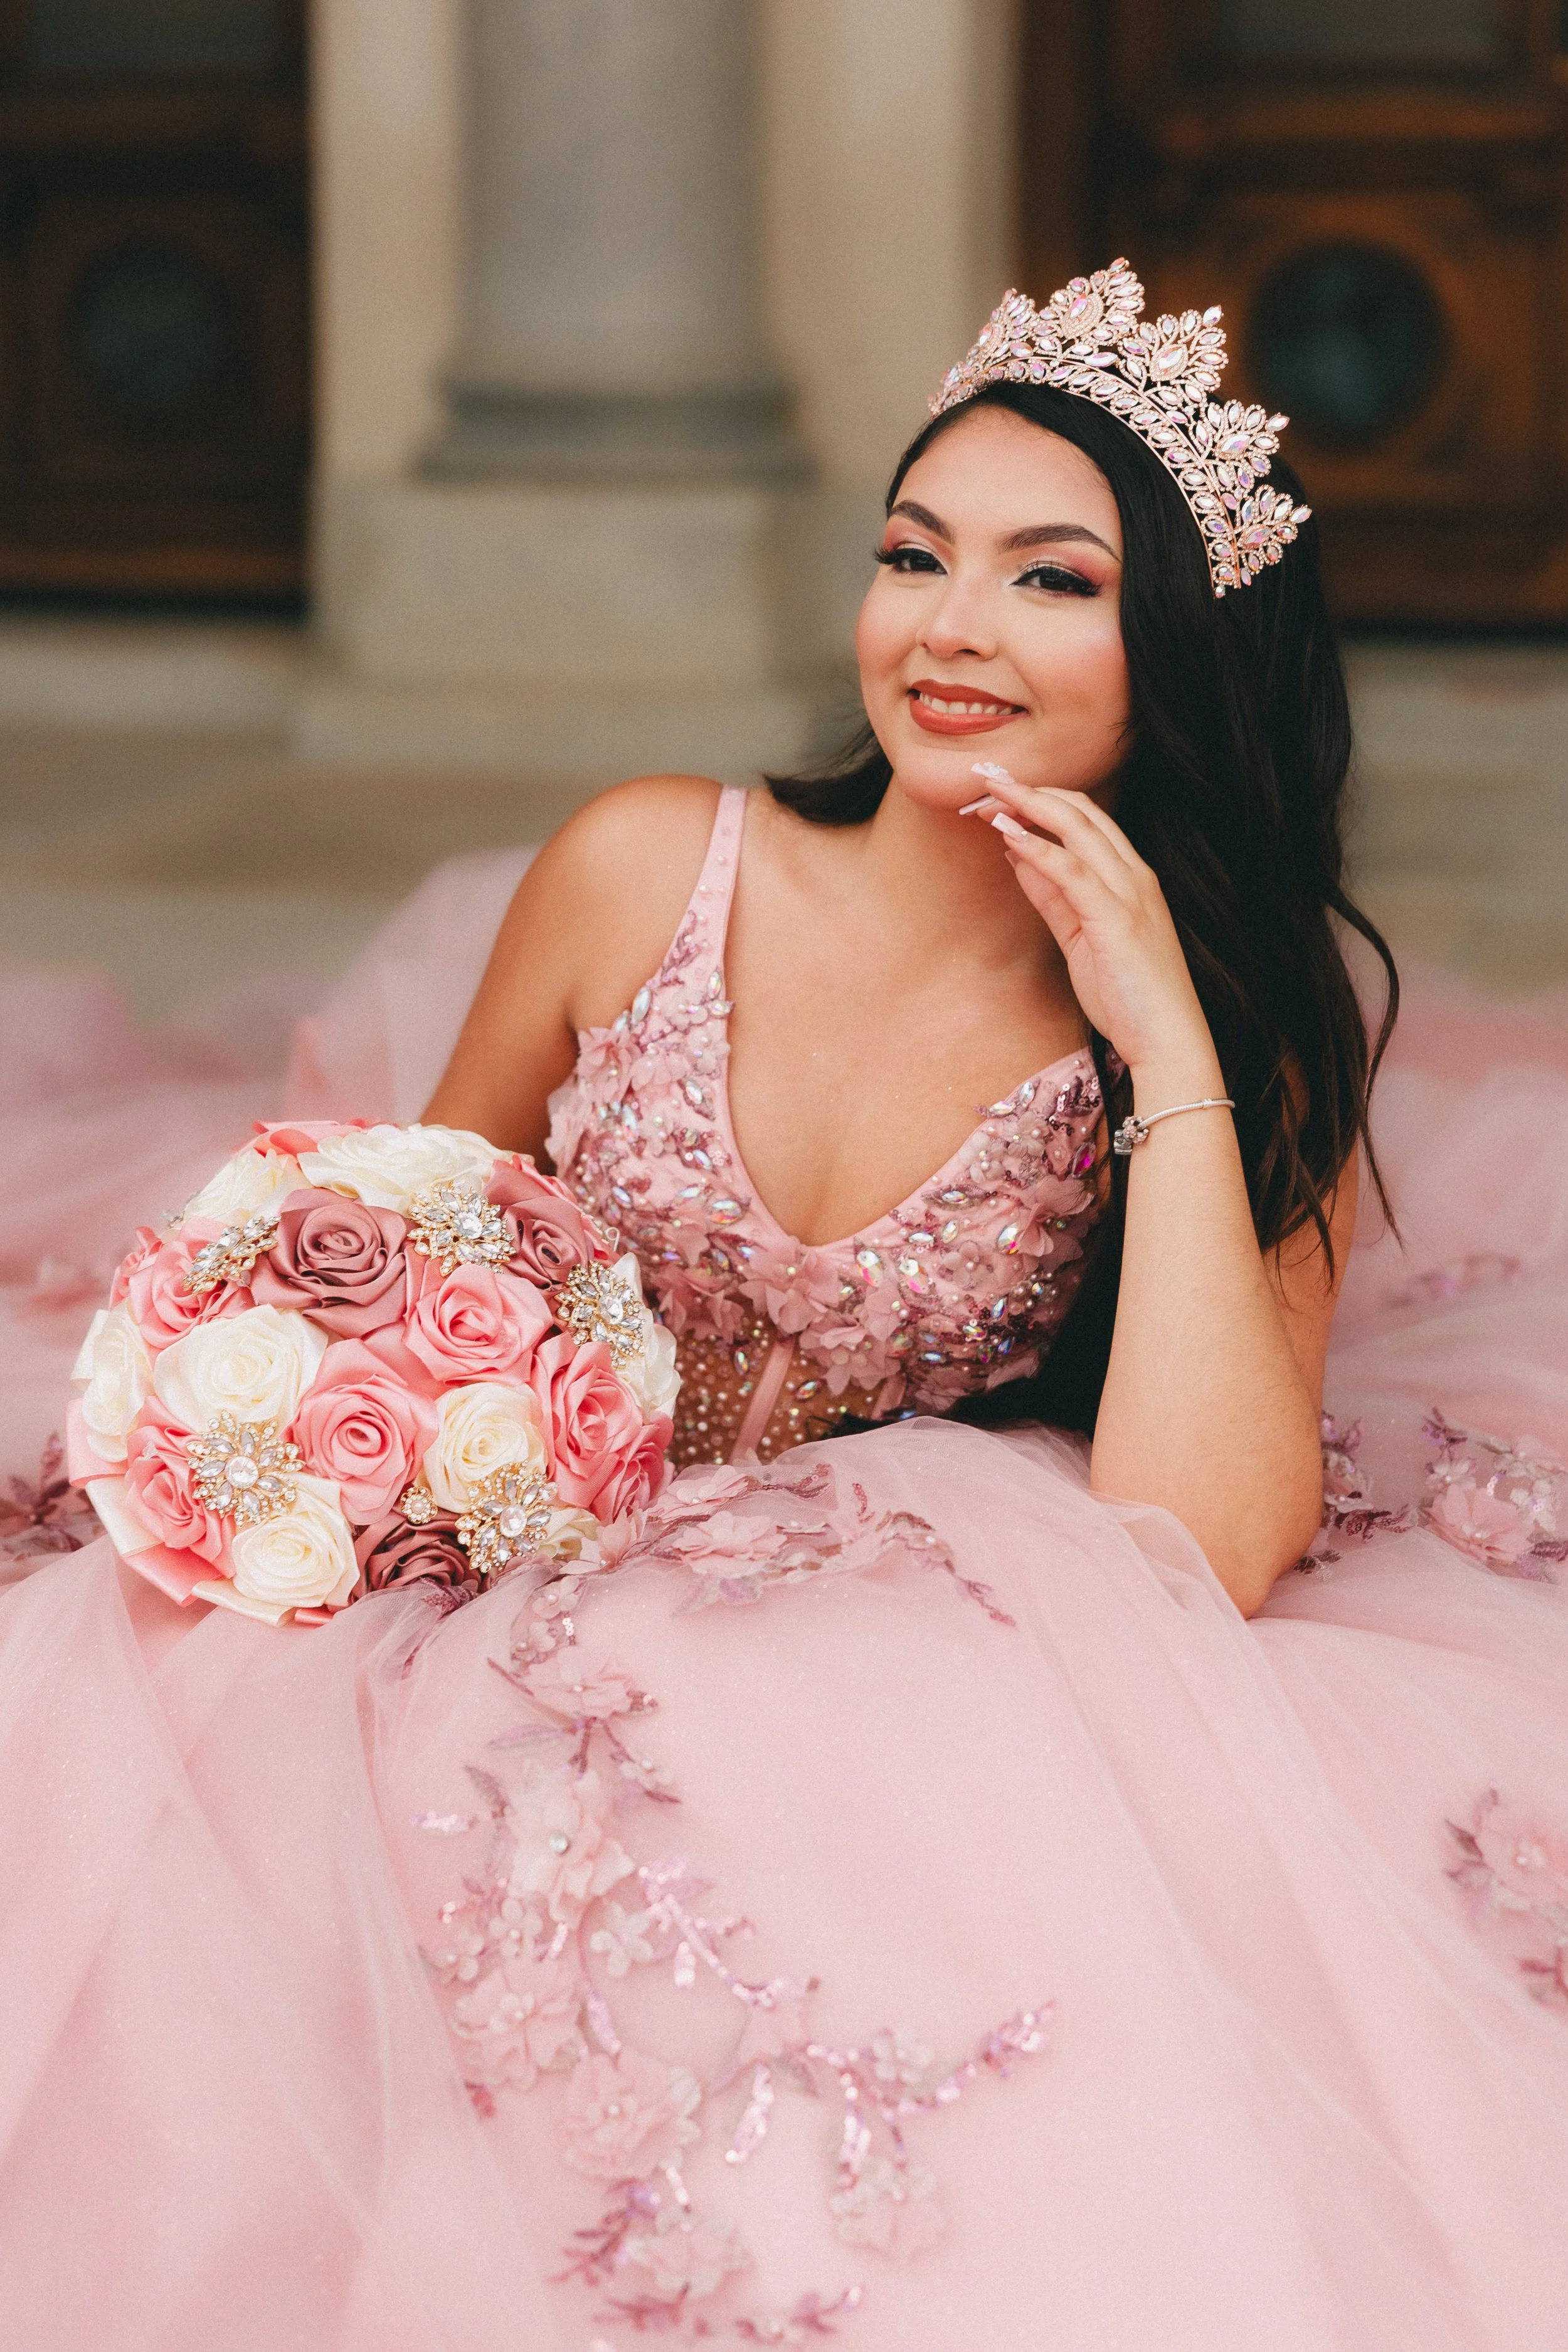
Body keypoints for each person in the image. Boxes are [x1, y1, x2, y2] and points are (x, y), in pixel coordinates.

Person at [1, 262, 1567, 2351]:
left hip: (872, 1580)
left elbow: (1202, 1534)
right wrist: (358, 1434)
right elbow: (404, 1224)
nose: (949, 625)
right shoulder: (650, 858)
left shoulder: (1237, 1027)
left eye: (1048, 578)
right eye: (913, 554)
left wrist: (1159, 1027)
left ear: (1179, 644)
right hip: (509, 1526)